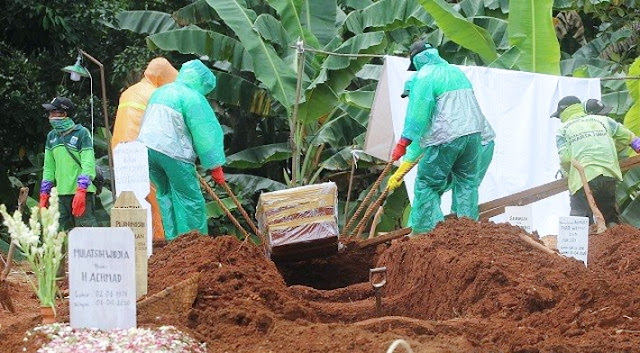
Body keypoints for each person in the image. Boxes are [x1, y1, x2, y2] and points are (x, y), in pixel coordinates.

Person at [386, 40, 489, 234]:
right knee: (466, 182)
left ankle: (429, 233)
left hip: (446, 137)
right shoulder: (456, 72)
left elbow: (417, 116)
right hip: (474, 136)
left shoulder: (424, 76)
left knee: (427, 184)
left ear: (417, 60)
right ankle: (467, 230)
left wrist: (402, 143)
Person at [137, 59, 226, 240]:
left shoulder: (160, 92)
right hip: (173, 152)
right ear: (201, 83)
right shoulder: (192, 97)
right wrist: (215, 165)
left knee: (165, 194)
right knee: (189, 199)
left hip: (147, 149)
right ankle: (194, 245)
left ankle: (174, 244)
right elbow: (205, 133)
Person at [112, 57, 178, 240]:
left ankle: (131, 242)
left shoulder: (127, 93)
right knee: (153, 199)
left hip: (120, 151)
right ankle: (158, 244)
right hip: (142, 150)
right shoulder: (155, 94)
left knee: (129, 199)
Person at [551, 95, 640, 226]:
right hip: (608, 175)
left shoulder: (562, 131)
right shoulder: (604, 120)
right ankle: (615, 238)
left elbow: (565, 159)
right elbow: (631, 139)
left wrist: (569, 175)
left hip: (582, 179)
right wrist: (610, 153)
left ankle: (580, 244)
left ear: (563, 112)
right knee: (608, 215)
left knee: (579, 219)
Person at [39, 97, 97, 230]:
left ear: (64, 114)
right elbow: (49, 167)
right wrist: (44, 193)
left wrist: (81, 190)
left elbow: (88, 163)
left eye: (53, 112)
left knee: (86, 232)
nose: (50, 116)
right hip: (60, 195)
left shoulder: (82, 133)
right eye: (50, 113)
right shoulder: (51, 137)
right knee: (57, 234)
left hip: (82, 193)